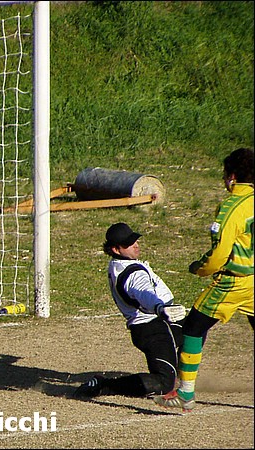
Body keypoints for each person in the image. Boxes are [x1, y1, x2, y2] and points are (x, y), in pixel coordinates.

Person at [154, 148, 254, 412]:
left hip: (235, 282)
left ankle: (185, 394)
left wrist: (201, 269)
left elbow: (220, 252)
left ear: (232, 177)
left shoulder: (232, 206)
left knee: (192, 329)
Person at [74, 222, 186, 399]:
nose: (136, 245)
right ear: (116, 249)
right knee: (164, 384)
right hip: (152, 329)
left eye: (135, 240)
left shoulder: (120, 264)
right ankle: (104, 385)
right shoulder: (132, 274)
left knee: (195, 329)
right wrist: (160, 307)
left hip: (160, 322)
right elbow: (144, 294)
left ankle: (184, 376)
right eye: (129, 244)